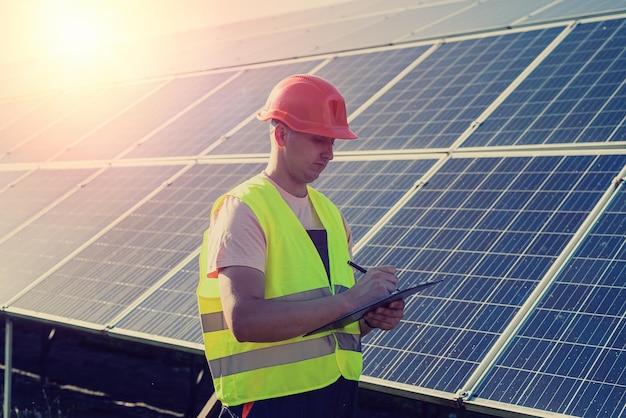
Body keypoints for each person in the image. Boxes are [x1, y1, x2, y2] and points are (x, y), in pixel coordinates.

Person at [197, 74, 405, 418]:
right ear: (281, 134)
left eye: (333, 142)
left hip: (334, 395)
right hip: (270, 402)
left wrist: (369, 315)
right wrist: (353, 299)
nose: (330, 154)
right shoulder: (245, 208)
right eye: (319, 140)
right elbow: (244, 320)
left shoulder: (330, 215)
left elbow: (334, 320)